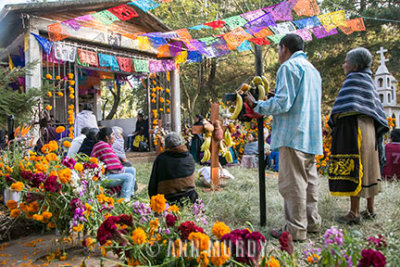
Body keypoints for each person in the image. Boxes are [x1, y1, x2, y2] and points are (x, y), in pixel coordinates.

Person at [244, 34, 322, 241]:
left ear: (284, 48)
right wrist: (275, 96)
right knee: (309, 182)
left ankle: (296, 230)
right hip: (311, 135)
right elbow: (297, 100)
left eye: (279, 50)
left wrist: (256, 105)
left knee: (293, 183)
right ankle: (312, 223)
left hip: (293, 135)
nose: (279, 54)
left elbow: (284, 104)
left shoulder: (288, 67)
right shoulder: (313, 71)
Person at [328, 47, 389, 223]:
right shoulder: (368, 81)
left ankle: (354, 212)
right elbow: (376, 110)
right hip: (370, 130)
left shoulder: (353, 80)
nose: (343, 65)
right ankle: (370, 209)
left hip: (354, 130)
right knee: (370, 166)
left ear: (354, 66)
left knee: (355, 164)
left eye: (346, 61)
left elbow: (342, 108)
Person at [148, 132, 198, 205]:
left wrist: (153, 200)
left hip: (168, 199)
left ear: (166, 145)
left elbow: (153, 183)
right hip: (189, 197)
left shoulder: (161, 159)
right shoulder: (189, 157)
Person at [91, 127, 136, 201]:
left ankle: (131, 195)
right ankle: (124, 200)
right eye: (112, 134)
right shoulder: (102, 145)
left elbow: (114, 163)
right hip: (101, 178)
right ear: (107, 137)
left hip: (107, 173)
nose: (114, 137)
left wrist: (122, 170)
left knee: (132, 170)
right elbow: (114, 166)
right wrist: (122, 170)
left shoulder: (105, 145)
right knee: (128, 177)